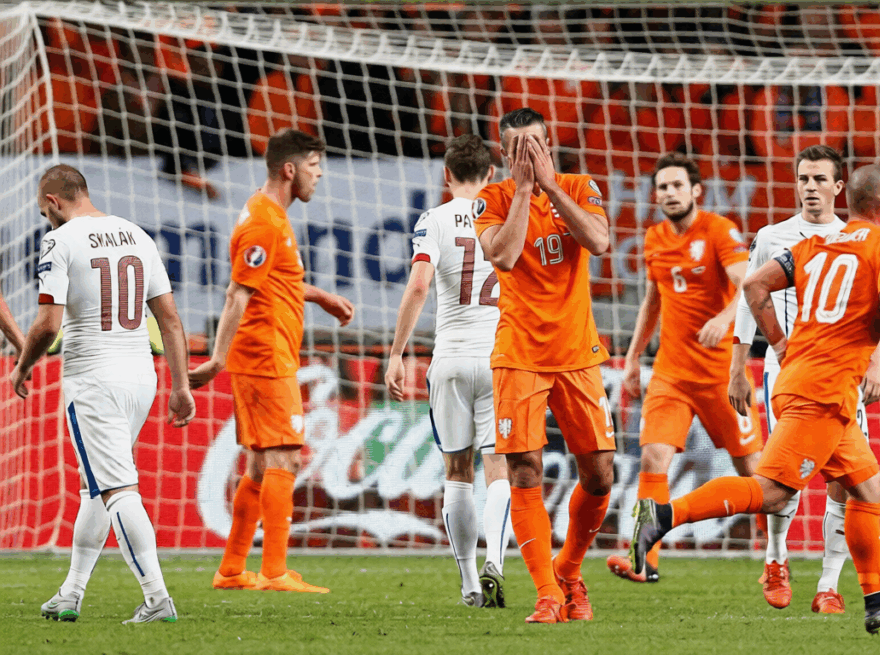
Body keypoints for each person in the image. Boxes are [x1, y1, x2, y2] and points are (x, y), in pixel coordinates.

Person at [632, 165, 880, 634]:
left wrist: (778, 344)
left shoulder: (811, 246)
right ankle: (665, 514)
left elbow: (754, 286)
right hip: (825, 391)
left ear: (846, 200)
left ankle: (878, 601)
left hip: (796, 377)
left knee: (869, 488)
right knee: (772, 494)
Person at [11, 164, 195, 623]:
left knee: (116, 489)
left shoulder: (59, 239)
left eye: (43, 212)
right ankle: (70, 593)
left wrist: (23, 364)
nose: (45, 222)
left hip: (95, 378)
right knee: (96, 486)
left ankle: (157, 599)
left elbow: (48, 324)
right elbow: (169, 320)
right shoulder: (137, 235)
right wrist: (182, 385)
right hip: (142, 378)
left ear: (54, 201)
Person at [189, 129, 355, 593]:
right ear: (290, 169)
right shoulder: (263, 222)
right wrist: (216, 359)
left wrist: (319, 296)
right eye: (314, 167)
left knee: (261, 467)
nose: (318, 176)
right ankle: (276, 571)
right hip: (264, 356)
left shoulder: (269, 214)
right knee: (285, 456)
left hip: (267, 352)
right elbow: (236, 292)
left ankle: (231, 570)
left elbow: (270, 282)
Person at [473, 107, 614, 624]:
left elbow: (599, 243)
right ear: (503, 152)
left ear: (550, 144)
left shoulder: (580, 187)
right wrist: (526, 191)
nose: (527, 155)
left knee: (600, 474)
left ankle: (570, 570)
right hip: (520, 354)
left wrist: (551, 188)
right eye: (517, 148)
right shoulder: (491, 199)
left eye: (535, 145)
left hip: (578, 352)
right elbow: (504, 257)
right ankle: (547, 594)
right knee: (523, 468)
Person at [731, 144, 880, 614]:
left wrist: (877, 363)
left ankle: (828, 584)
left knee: (845, 482)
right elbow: (746, 300)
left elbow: (873, 304)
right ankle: (776, 559)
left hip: (844, 372)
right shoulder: (773, 236)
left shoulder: (857, 237)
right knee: (787, 476)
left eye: (819, 179)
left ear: (839, 187)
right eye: (803, 179)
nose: (810, 188)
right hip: (789, 371)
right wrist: (739, 367)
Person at [605, 152, 763, 584]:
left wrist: (722, 319)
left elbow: (749, 286)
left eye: (677, 185)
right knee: (653, 459)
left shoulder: (717, 230)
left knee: (757, 473)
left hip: (720, 376)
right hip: (672, 374)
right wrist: (635, 357)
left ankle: (776, 560)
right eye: (662, 187)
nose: (669, 193)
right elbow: (653, 300)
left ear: (696, 191)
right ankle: (644, 561)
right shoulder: (654, 236)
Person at [383, 135, 511, 608]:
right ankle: (495, 557)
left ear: (446, 175)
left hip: (451, 358)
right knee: (499, 468)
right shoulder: (506, 216)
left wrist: (397, 354)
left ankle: (469, 584)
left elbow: (418, 285)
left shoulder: (433, 219)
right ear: (491, 175)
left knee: (457, 471)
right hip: (501, 357)